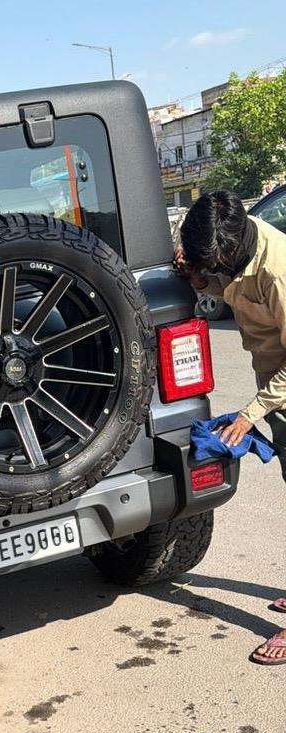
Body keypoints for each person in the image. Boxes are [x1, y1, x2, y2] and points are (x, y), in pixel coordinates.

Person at [176, 189, 286, 665]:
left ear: (234, 246)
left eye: (214, 264)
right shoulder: (238, 253)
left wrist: (249, 414)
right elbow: (231, 290)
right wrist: (198, 278)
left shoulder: (278, 272)